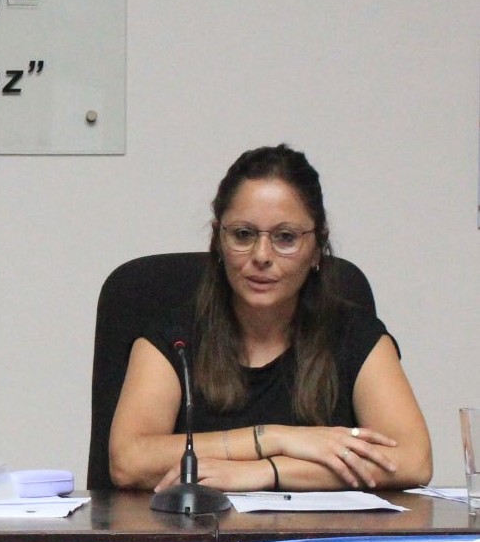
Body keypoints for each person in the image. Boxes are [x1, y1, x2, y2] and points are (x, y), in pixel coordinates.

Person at [109, 145, 432, 492]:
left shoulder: (355, 335)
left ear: (317, 249)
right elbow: (129, 461)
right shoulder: (174, 338)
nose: (261, 256)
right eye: (243, 235)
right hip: (197, 527)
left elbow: (413, 460)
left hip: (325, 530)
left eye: (285, 237)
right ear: (218, 240)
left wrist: (270, 471)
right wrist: (274, 438)